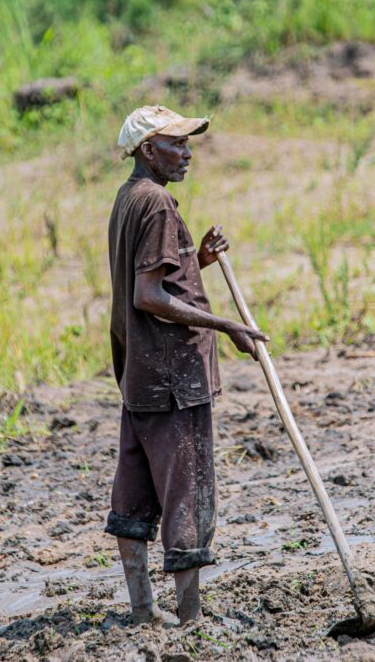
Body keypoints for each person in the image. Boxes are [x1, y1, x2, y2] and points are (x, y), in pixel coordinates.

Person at [104, 105, 269, 625]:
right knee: (186, 491)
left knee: (134, 495)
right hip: (174, 378)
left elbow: (150, 281)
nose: (188, 153)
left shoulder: (129, 198)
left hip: (141, 375)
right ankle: (191, 620)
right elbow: (148, 295)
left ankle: (142, 612)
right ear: (148, 150)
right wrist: (228, 326)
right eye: (176, 143)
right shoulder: (157, 205)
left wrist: (195, 261)